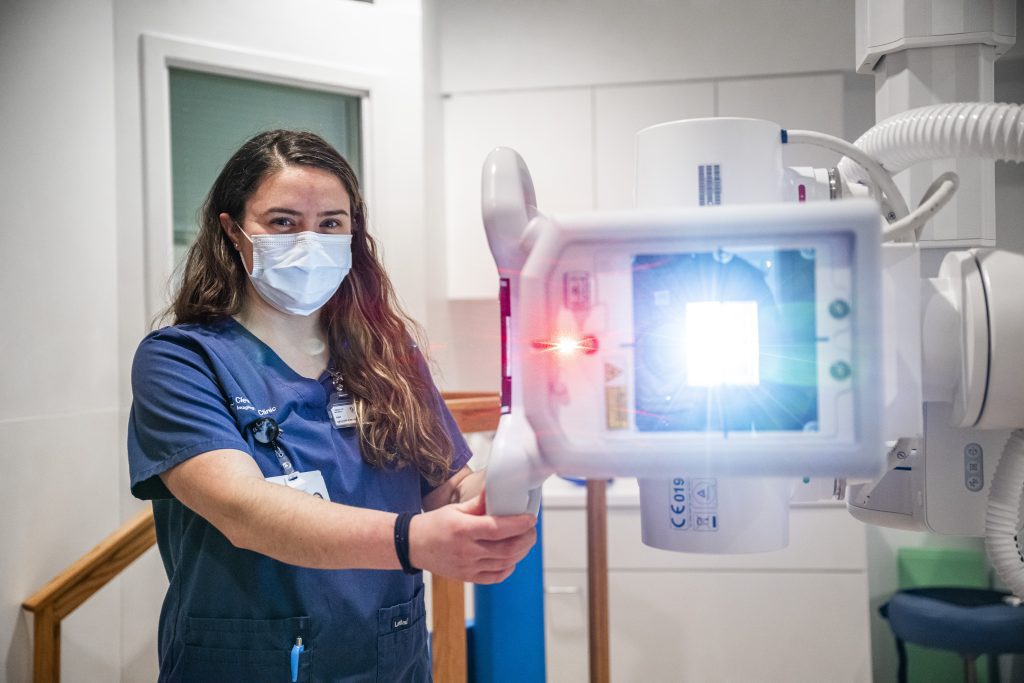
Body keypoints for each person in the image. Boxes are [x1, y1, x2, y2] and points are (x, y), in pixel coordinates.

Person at [127, 130, 537, 682]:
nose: (310, 240)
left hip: (389, 657)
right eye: (283, 222)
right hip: (250, 661)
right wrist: (411, 541)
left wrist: (498, 488)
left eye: (330, 224)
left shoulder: (385, 354)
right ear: (232, 231)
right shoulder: (182, 361)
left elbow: (446, 483)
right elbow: (243, 511)